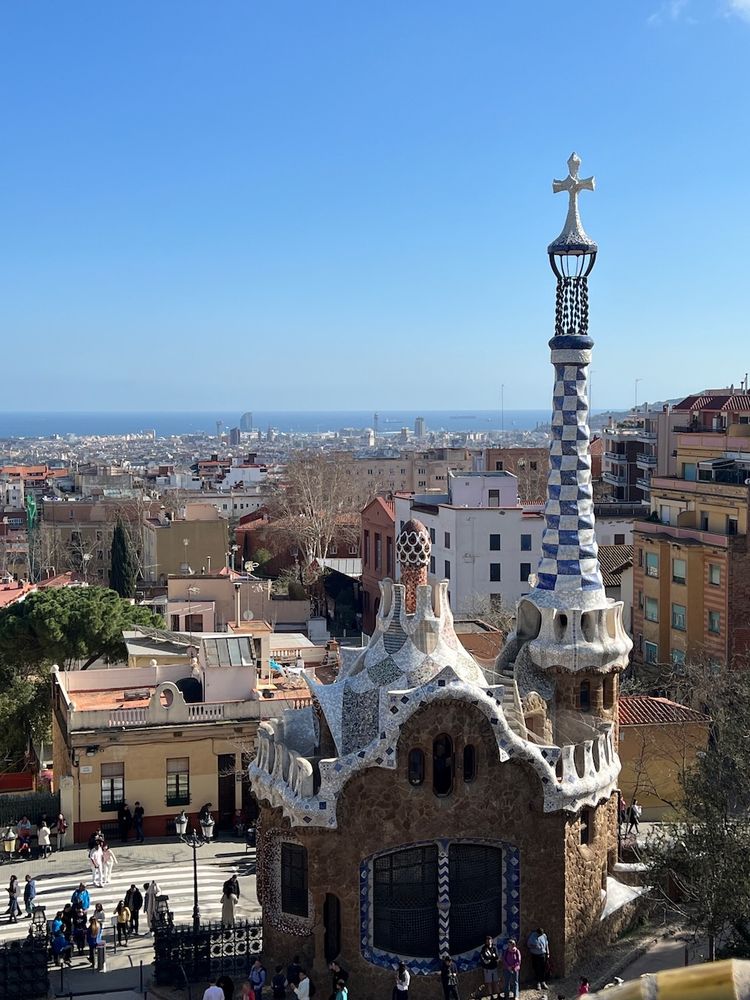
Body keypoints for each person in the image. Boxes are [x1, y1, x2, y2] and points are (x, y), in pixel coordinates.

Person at [527, 927, 550, 991]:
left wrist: (548, 953)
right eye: (539, 934)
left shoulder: (544, 936)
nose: (540, 936)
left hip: (542, 954)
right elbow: (528, 945)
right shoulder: (532, 936)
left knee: (543, 968)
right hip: (535, 955)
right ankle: (538, 982)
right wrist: (534, 946)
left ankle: (543, 981)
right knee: (536, 969)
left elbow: (546, 944)